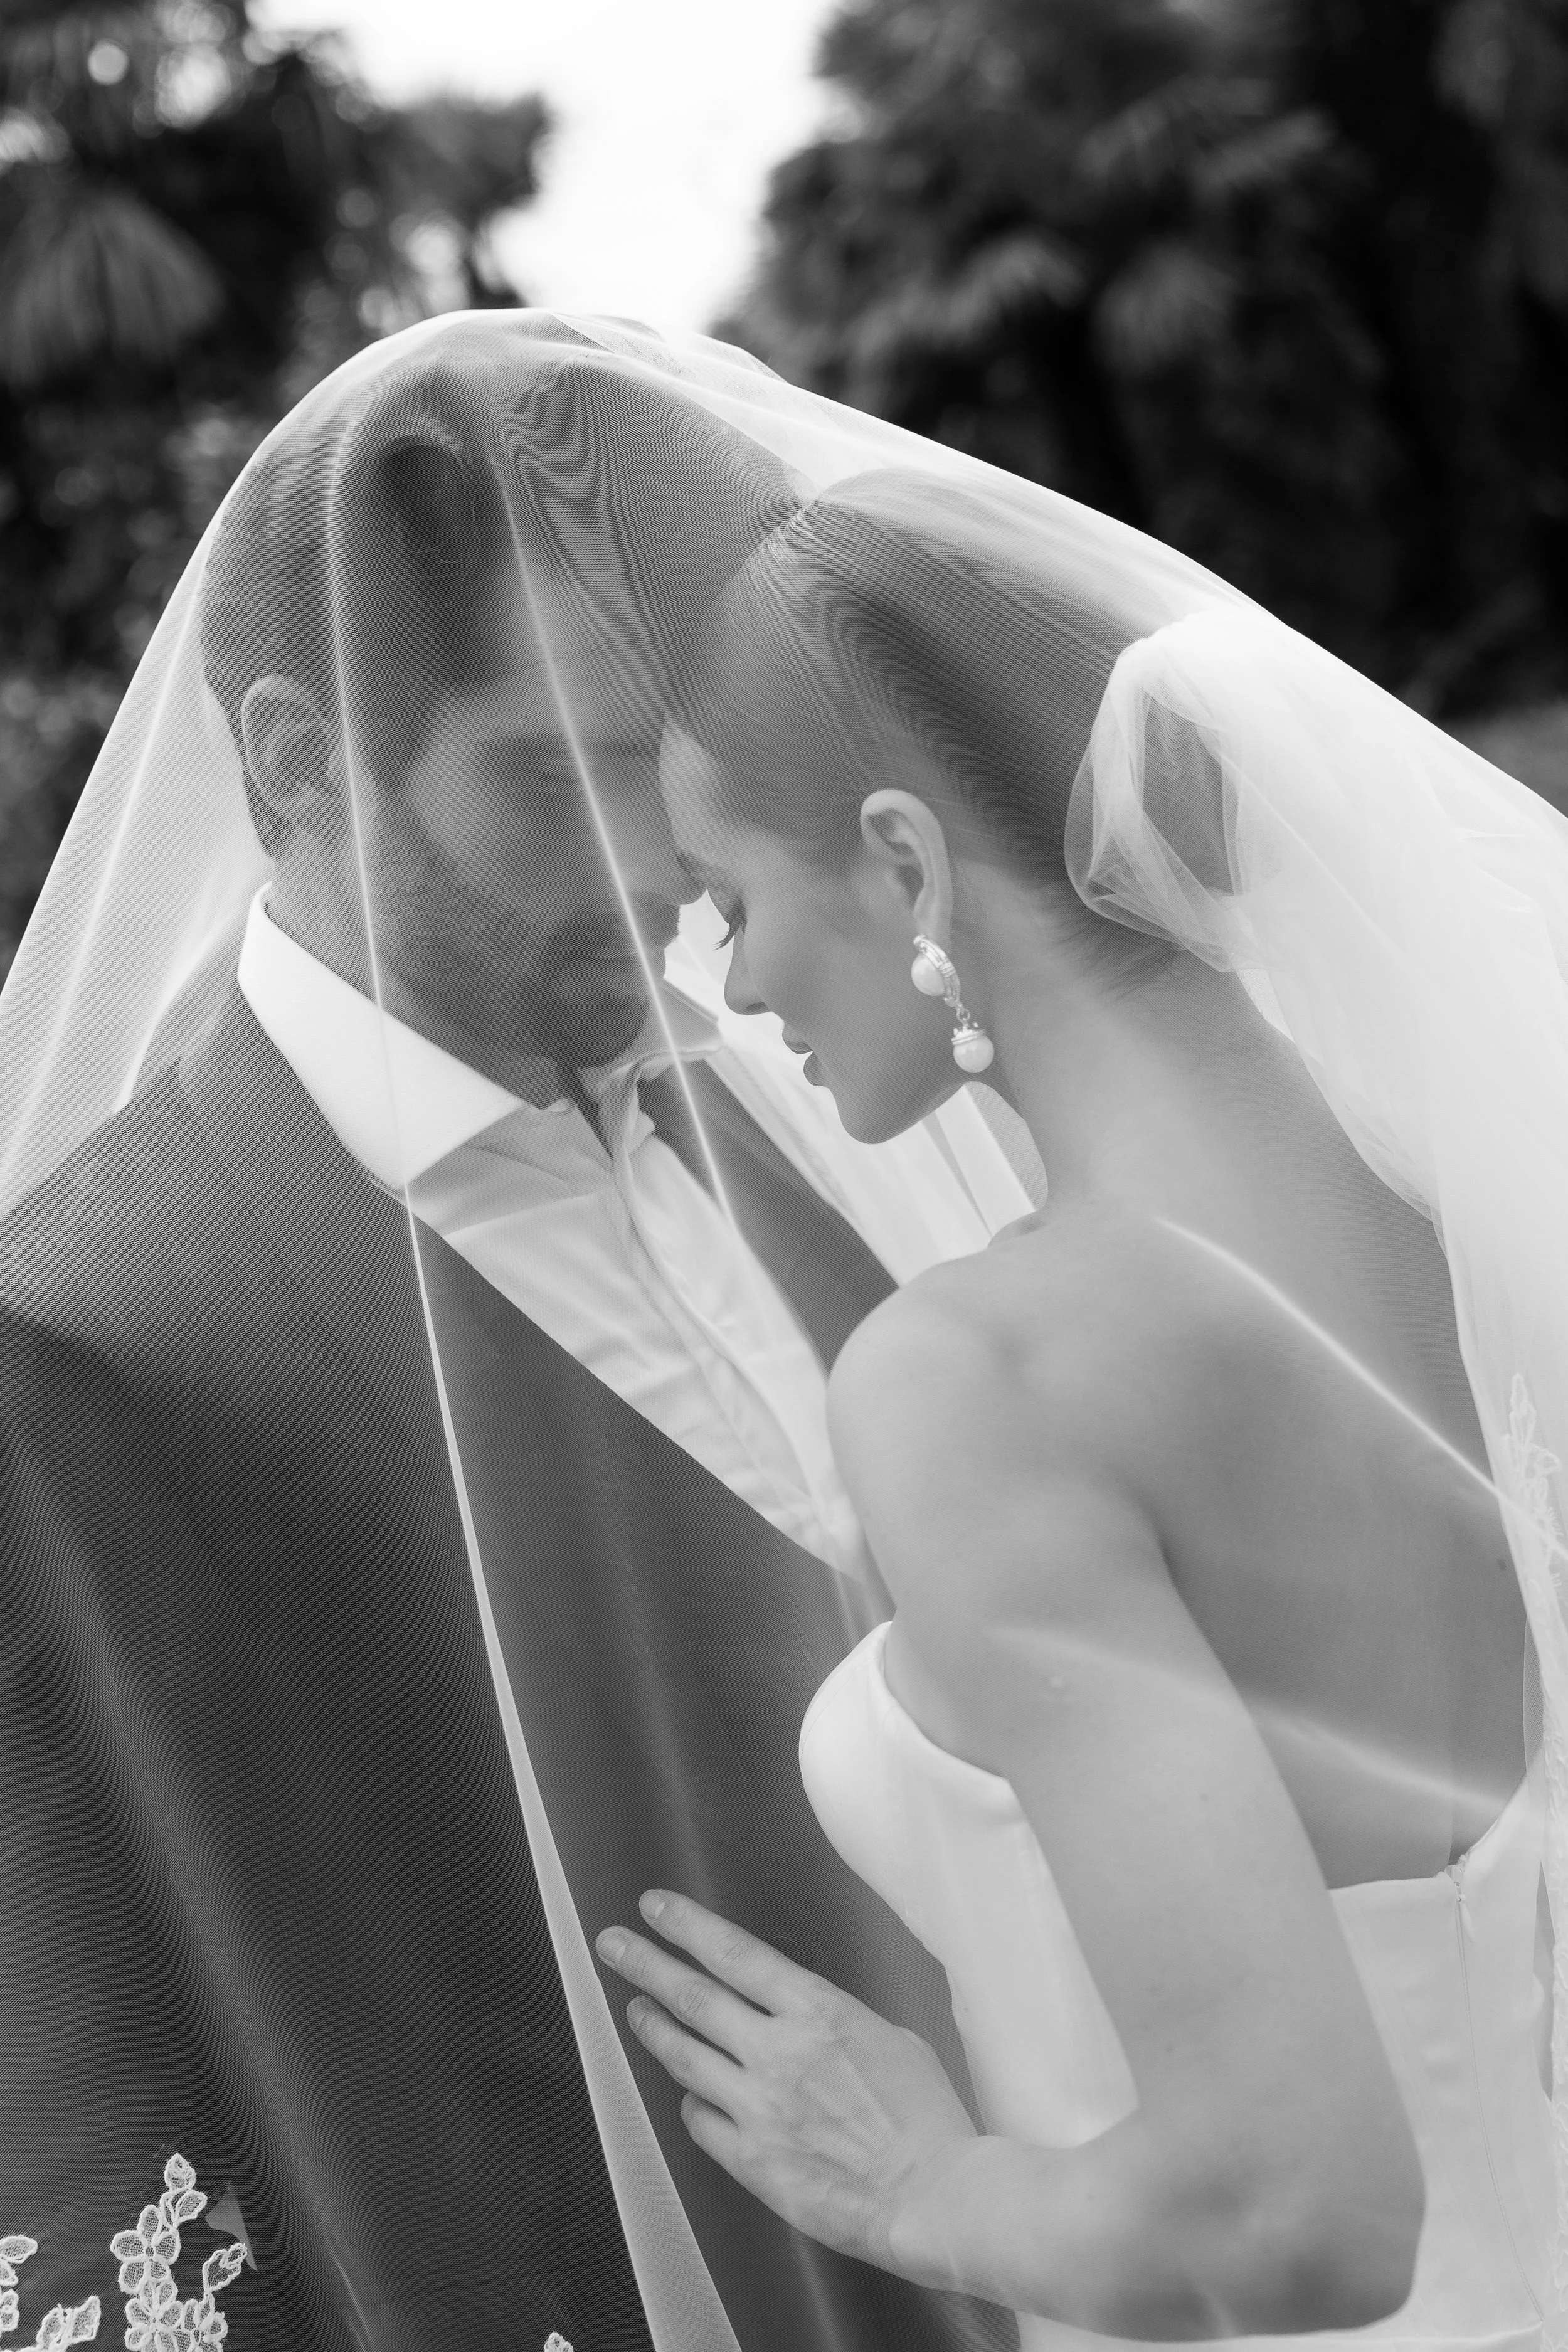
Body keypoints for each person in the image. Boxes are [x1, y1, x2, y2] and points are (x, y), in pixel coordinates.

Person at [0, 331, 1029, 2351]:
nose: (662, 860)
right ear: (296, 760)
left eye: (686, 755)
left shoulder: (805, 1121)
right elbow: (92, 2099)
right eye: (558, 771)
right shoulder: (75, 1355)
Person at [600, 467, 1563, 2345]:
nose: (730, 981)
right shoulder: (1452, 1189)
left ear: (903, 862)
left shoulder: (985, 1382)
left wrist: (918, 2184)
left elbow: (1297, 2214)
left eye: (729, 899)